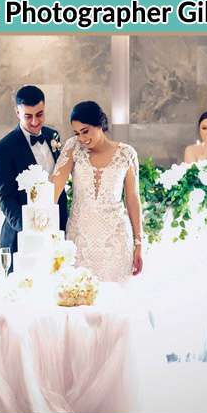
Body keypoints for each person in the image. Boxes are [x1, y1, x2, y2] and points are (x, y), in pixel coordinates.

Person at [50, 101, 143, 282]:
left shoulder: (126, 154)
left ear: (100, 124)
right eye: (77, 133)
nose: (82, 138)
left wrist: (138, 242)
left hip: (116, 241)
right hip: (80, 241)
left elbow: (132, 199)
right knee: (78, 298)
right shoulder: (73, 148)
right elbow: (53, 191)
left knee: (115, 303)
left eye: (85, 131)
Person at [0, 85, 69, 257]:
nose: (35, 122)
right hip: (22, 238)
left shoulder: (53, 136)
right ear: (17, 113)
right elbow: (6, 198)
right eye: (28, 116)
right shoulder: (3, 148)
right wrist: (30, 230)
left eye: (39, 114)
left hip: (58, 232)